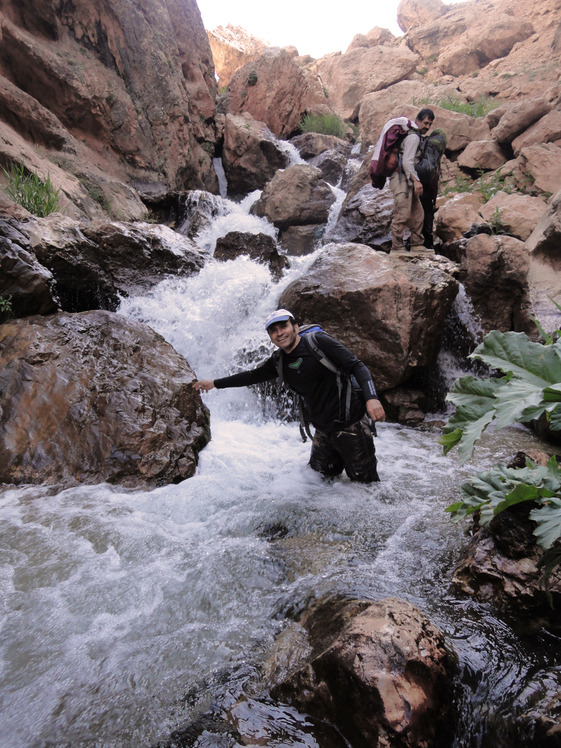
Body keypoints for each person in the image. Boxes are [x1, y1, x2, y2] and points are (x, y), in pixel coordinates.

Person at [194, 309, 386, 483]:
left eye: (283, 326)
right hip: (323, 432)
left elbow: (356, 366)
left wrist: (372, 398)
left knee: (366, 489)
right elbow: (253, 376)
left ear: (295, 327)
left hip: (351, 427)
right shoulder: (279, 360)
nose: (280, 333)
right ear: (270, 336)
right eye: (274, 330)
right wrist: (214, 383)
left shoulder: (318, 343)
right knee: (318, 483)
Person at [389, 108, 435, 253]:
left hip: (407, 176)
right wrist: (416, 181)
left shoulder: (415, 135)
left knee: (417, 212)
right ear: (418, 121)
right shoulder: (414, 137)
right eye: (425, 123)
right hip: (401, 176)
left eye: (430, 124)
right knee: (403, 210)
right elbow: (407, 162)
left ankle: (416, 245)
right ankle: (397, 247)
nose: (427, 127)